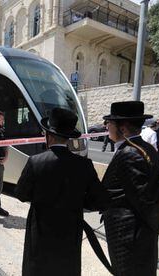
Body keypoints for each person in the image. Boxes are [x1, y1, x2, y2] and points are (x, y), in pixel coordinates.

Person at [15, 108, 109, 275]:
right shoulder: (84, 165)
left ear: (48, 135)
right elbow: (100, 200)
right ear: (68, 138)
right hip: (70, 233)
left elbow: (21, 194)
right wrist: (78, 201)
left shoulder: (35, 162)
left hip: (41, 233)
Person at [101, 101, 159, 276]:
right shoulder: (145, 149)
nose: (107, 126)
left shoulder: (130, 154)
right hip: (138, 233)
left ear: (123, 128)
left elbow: (144, 200)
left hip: (129, 236)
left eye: (110, 123)